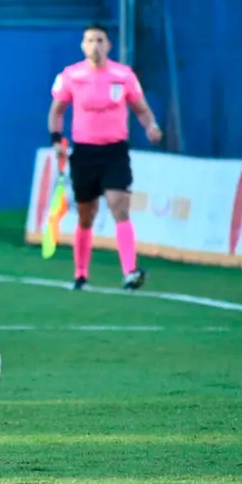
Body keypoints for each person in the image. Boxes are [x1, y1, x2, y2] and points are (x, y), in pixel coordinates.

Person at [47, 23, 163, 291]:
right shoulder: (71, 76)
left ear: (109, 45)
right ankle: (81, 274)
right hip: (85, 152)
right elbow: (56, 111)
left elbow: (141, 109)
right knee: (86, 214)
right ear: (82, 46)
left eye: (100, 40)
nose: (95, 46)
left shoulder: (123, 76)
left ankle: (130, 271)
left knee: (118, 204)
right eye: (89, 41)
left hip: (114, 151)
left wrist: (151, 126)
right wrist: (56, 142)